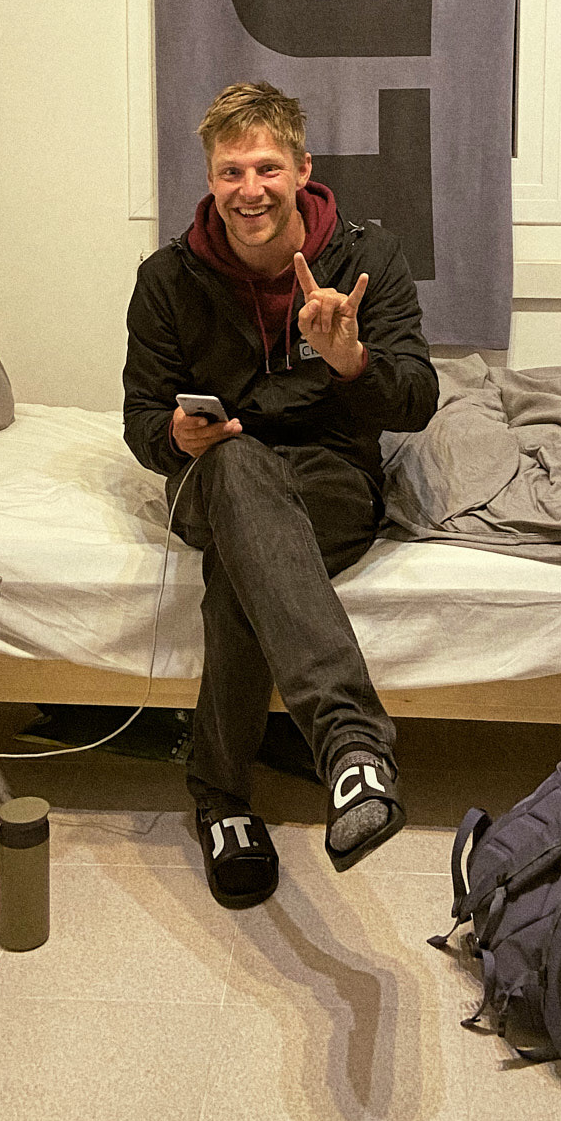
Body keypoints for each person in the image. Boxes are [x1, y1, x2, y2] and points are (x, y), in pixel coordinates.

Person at [122, 81, 439, 908]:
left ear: (302, 169)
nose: (250, 189)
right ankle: (350, 746)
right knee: (236, 470)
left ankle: (220, 797)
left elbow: (416, 399)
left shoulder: (369, 260)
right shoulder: (167, 278)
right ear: (209, 179)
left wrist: (352, 363)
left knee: (243, 570)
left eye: (267, 167)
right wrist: (175, 437)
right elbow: (140, 417)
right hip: (217, 471)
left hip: (331, 476)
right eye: (231, 172)